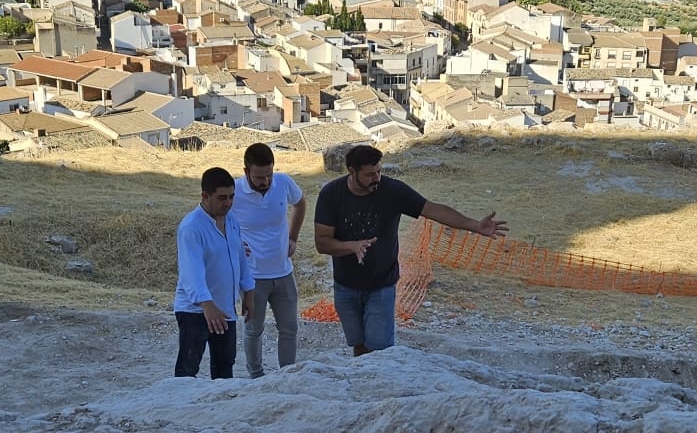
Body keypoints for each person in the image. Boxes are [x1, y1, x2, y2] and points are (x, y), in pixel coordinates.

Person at [313, 144, 507, 356]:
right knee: (358, 344)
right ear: (351, 171)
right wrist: (351, 246)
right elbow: (322, 243)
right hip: (345, 285)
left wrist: (475, 226)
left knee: (380, 350)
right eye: (369, 174)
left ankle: (381, 384)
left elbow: (433, 210)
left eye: (379, 171)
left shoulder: (392, 191)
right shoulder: (331, 195)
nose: (376, 178)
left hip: (381, 284)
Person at [228, 142, 304, 377]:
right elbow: (217, 220)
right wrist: (235, 242)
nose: (266, 181)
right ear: (246, 171)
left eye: (269, 175)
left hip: (283, 271)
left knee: (289, 328)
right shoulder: (235, 192)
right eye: (260, 177)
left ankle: (287, 376)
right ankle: (256, 376)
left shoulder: (283, 182)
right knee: (253, 329)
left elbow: (300, 203)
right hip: (252, 277)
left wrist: (293, 237)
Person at [173, 166, 253, 379]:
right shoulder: (191, 227)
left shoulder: (231, 220)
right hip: (196, 311)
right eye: (222, 198)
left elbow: (239, 256)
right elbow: (191, 272)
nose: (228, 203)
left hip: (225, 309)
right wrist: (207, 305)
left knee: (225, 369)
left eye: (231, 197)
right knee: (187, 371)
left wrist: (248, 293)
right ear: (205, 196)